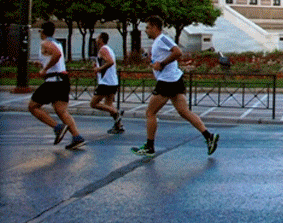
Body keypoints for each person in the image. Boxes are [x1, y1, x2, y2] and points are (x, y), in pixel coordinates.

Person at [131, 16, 219, 158]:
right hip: (173, 79)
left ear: (154, 27)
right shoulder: (157, 43)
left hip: (168, 81)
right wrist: (154, 63)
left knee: (150, 112)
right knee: (184, 112)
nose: (146, 30)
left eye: (147, 27)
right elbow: (160, 61)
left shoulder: (162, 39)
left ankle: (149, 146)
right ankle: (209, 136)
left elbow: (178, 52)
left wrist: (162, 64)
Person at [28, 22, 86, 150]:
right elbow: (56, 58)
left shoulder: (46, 43)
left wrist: (45, 69)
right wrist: (42, 64)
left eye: (40, 31)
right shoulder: (57, 42)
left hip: (53, 81)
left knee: (32, 107)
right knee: (61, 111)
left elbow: (57, 55)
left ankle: (57, 127)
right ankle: (77, 137)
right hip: (63, 80)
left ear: (43, 31)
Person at [90, 32, 124, 134]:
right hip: (112, 81)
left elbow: (110, 62)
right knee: (108, 105)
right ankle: (119, 126)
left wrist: (99, 68)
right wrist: (96, 66)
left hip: (106, 82)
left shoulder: (103, 49)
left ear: (101, 39)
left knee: (93, 103)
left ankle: (117, 112)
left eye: (97, 37)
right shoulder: (108, 49)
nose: (95, 39)